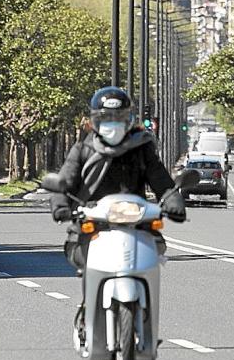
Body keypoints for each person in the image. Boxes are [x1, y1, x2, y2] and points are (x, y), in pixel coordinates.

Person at [49, 86, 186, 272]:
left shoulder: (141, 149)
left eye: (119, 118)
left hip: (137, 222)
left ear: (128, 120)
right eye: (106, 118)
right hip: (94, 220)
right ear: (95, 121)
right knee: (79, 251)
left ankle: (149, 299)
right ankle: (90, 300)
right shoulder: (82, 150)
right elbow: (65, 181)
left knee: (157, 246)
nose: (112, 124)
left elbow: (161, 180)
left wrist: (173, 200)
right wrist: (61, 206)